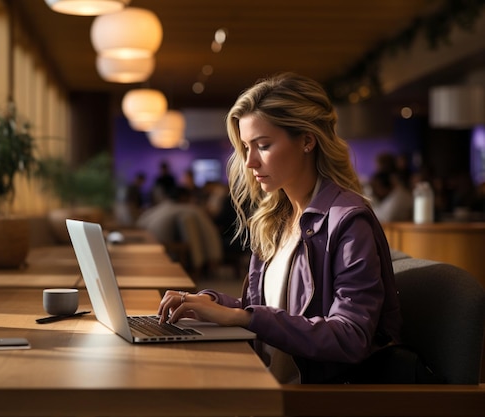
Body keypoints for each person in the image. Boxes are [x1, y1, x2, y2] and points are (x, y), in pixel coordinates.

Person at [158, 72, 403, 384]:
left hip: (318, 396)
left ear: (307, 140)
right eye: (246, 147)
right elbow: (268, 311)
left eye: (263, 145)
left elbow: (351, 336)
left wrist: (241, 317)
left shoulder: (349, 221)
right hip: (268, 381)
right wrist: (211, 304)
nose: (249, 162)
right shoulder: (274, 218)